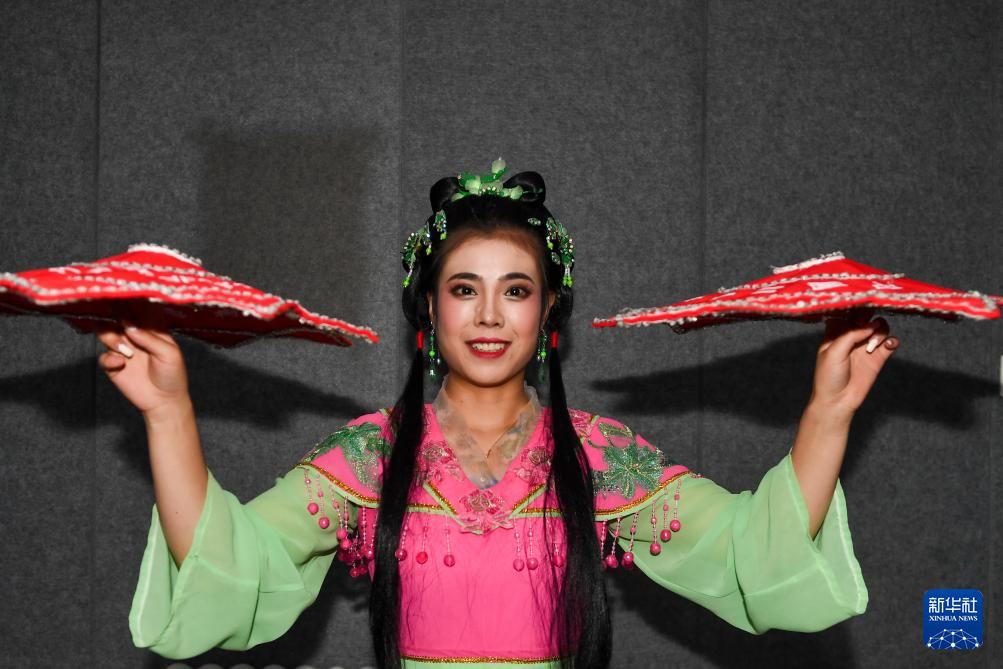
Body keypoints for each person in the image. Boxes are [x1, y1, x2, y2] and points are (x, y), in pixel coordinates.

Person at [97, 159, 899, 669]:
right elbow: (231, 567)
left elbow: (751, 553)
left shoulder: (599, 456)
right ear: (429, 309)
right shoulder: (371, 455)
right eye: (463, 289)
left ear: (548, 312)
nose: (488, 315)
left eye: (515, 290)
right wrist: (169, 411)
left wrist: (827, 410)